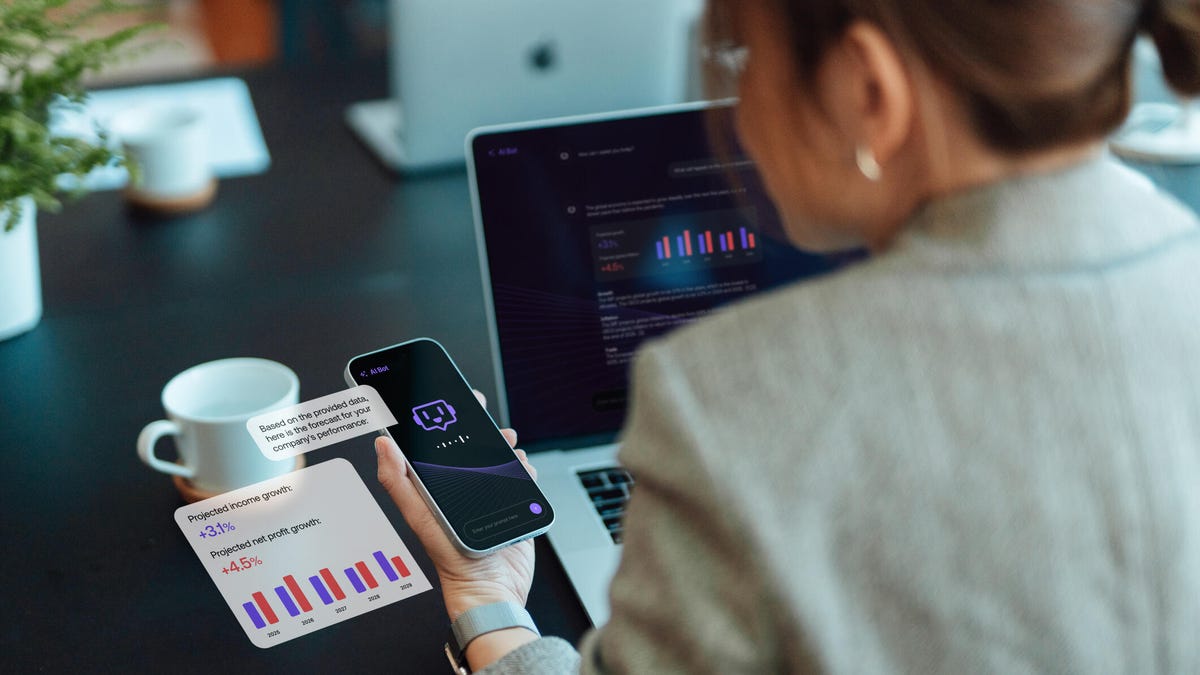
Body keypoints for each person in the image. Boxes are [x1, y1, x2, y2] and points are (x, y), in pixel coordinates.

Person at [377, 0, 1200, 671]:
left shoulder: (724, 396)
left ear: (867, 88)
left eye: (741, 61)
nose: (731, 111)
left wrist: (487, 606)